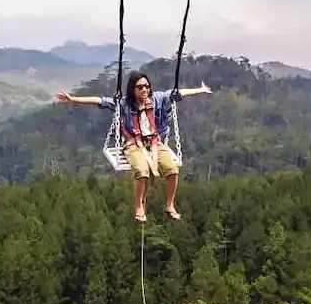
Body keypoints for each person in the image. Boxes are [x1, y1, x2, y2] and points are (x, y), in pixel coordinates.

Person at [55, 70, 212, 222]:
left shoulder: (157, 99)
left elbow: (178, 93)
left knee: (173, 170)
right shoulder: (124, 104)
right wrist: (73, 99)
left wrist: (201, 90)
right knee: (142, 171)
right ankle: (139, 206)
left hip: (155, 143)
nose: (144, 89)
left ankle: (170, 205)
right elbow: (100, 101)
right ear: (132, 90)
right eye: (140, 87)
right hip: (133, 144)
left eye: (146, 86)